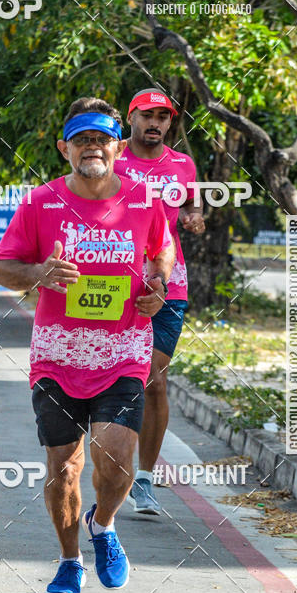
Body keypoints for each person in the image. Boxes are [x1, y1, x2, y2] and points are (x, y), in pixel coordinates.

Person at [0, 97, 174, 593]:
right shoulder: (41, 202)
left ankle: (105, 524)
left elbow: (162, 247)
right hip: (57, 354)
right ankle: (70, 560)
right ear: (64, 148)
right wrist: (36, 275)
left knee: (115, 461)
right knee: (63, 468)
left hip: (124, 350)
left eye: (102, 138)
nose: (92, 147)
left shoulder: (141, 198)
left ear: (118, 145)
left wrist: (158, 281)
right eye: (82, 139)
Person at [114, 89, 205, 515]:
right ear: (130, 117)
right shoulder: (110, 158)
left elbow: (191, 207)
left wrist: (192, 217)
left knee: (154, 380)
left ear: (170, 124)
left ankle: (144, 478)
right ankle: (106, 465)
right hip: (114, 278)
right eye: (147, 115)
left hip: (169, 283)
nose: (155, 123)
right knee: (113, 377)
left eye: (163, 117)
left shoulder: (182, 165)